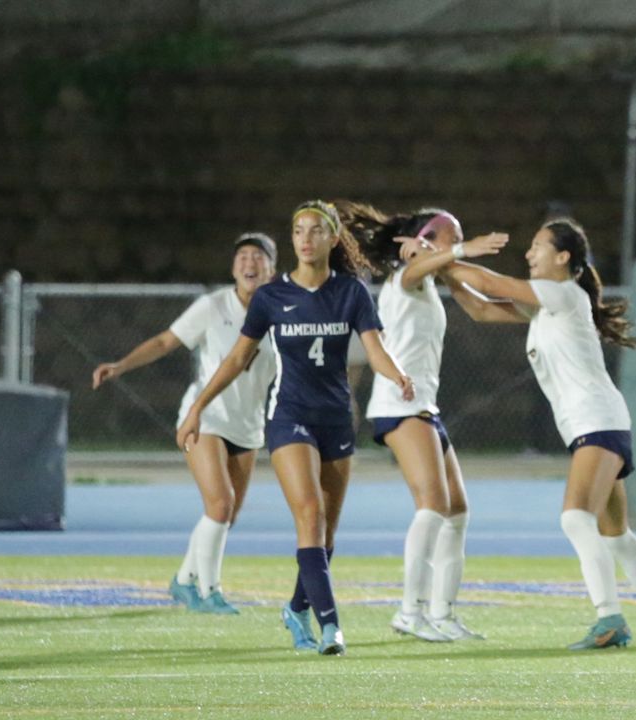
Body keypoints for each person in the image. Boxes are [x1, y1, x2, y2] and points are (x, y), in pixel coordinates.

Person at [176, 200, 415, 656]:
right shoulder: (272, 297)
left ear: (331, 239)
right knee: (310, 514)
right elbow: (236, 359)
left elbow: (376, 349)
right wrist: (197, 409)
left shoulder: (351, 293)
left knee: (326, 537)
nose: (305, 239)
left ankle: (296, 609)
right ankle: (332, 627)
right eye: (298, 231)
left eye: (315, 231)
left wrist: (397, 375)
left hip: (336, 419)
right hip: (289, 417)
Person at [442, 218, 636, 650]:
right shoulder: (546, 304)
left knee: (576, 518)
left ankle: (609, 619)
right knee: (615, 534)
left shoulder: (561, 292)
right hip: (600, 421)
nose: (528, 253)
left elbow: (488, 280)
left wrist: (448, 256)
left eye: (537, 246)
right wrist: (442, 269)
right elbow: (481, 306)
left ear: (563, 258)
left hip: (597, 420)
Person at [335, 202, 506, 642]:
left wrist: (547, 314)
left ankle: (442, 613)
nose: (458, 241)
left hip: (425, 406)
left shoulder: (431, 281)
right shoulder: (404, 278)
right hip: (400, 404)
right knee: (432, 505)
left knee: (457, 512)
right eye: (452, 234)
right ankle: (409, 612)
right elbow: (415, 268)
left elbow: (483, 309)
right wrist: (463, 249)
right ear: (426, 239)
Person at [93, 232, 278, 615]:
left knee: (226, 513)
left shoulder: (281, 311)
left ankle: (182, 581)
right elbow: (165, 341)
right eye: (242, 255)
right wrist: (122, 365)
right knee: (220, 503)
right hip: (205, 417)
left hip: (248, 425)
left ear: (272, 269)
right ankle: (211, 591)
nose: (249, 263)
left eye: (258, 257)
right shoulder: (213, 306)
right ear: (233, 267)